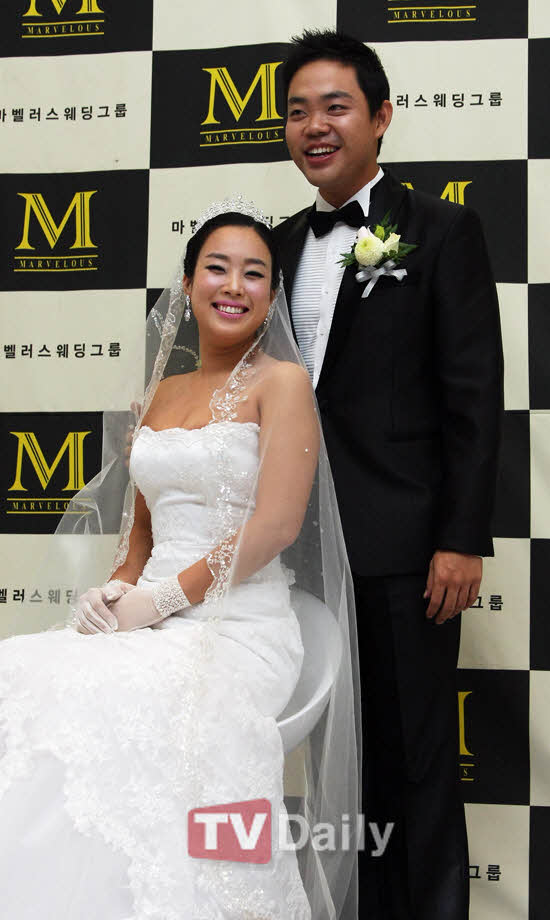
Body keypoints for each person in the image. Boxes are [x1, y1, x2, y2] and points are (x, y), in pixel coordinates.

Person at [0, 202, 361, 919]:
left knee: (115, 694)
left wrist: (161, 601)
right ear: (189, 283)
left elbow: (276, 526)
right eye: (217, 268)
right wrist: (114, 590)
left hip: (239, 624)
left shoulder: (282, 384)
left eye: (253, 273)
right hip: (149, 618)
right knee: (20, 668)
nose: (234, 286)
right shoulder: (163, 391)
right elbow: (141, 530)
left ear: (272, 293)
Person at [274, 29, 504, 920]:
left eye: (335, 107)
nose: (314, 127)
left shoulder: (441, 230)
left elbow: (474, 396)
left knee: (419, 765)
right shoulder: (277, 245)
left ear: (380, 117)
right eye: (298, 111)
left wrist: (461, 538)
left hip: (407, 552)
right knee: (340, 771)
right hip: (300, 558)